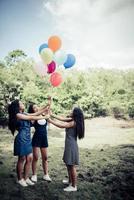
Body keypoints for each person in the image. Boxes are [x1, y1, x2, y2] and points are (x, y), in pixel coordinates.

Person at [8, 99, 49, 187]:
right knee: (22, 159)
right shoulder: (18, 115)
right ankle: (20, 179)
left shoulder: (25, 113)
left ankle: (26, 178)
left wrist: (46, 106)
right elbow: (32, 118)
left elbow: (35, 114)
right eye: (21, 103)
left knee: (30, 158)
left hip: (27, 138)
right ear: (17, 106)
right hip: (21, 138)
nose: (23, 104)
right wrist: (44, 117)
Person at [48, 107, 85, 192]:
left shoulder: (73, 122)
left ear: (75, 113)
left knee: (71, 165)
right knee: (68, 164)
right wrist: (51, 114)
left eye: (72, 111)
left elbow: (61, 125)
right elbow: (61, 119)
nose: (70, 111)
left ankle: (73, 186)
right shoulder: (71, 119)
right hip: (69, 144)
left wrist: (50, 121)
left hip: (71, 146)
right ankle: (70, 181)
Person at [28, 97, 52, 183]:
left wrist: (50, 101)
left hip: (44, 138)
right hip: (36, 138)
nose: (37, 108)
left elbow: (48, 108)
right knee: (36, 157)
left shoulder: (43, 115)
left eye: (37, 106)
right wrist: (45, 107)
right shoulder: (33, 117)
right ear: (32, 110)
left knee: (45, 157)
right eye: (34, 107)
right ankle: (34, 175)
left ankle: (46, 174)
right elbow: (44, 109)